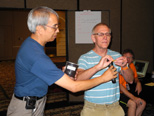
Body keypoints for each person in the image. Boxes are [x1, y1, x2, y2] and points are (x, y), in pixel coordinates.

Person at [7, 6, 118, 116]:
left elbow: (39, 70)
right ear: (39, 28)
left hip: (34, 102)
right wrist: (103, 78)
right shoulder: (35, 55)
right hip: (24, 108)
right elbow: (74, 87)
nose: (58, 30)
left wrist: (62, 74)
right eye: (54, 27)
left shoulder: (32, 44)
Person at [76, 23, 134, 116]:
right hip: (93, 109)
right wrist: (97, 67)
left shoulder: (117, 56)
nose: (105, 37)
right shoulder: (85, 58)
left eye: (107, 34)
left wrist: (125, 66)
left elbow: (130, 80)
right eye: (100, 34)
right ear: (93, 38)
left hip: (115, 107)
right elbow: (78, 79)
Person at [119, 49, 146, 116]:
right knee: (132, 103)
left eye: (129, 57)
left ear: (132, 59)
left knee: (142, 103)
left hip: (126, 93)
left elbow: (135, 77)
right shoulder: (119, 67)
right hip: (118, 94)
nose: (127, 59)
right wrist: (133, 97)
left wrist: (138, 82)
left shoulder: (131, 66)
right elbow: (119, 86)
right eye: (125, 57)